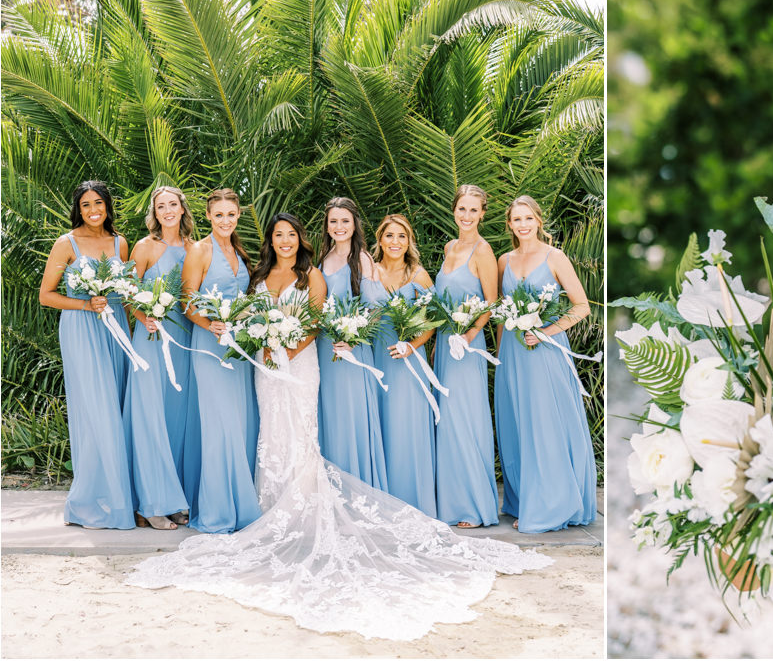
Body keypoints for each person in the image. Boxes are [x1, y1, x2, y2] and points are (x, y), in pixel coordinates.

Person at [127, 213, 551, 640]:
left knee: (303, 427)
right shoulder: (256, 274)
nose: (286, 240)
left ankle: (306, 496)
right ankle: (269, 502)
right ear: (272, 240)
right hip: (264, 364)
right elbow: (244, 314)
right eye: (279, 235)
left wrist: (291, 348)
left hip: (303, 360)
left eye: (292, 234)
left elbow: (319, 321)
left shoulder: (323, 271)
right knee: (270, 429)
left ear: (302, 238)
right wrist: (266, 342)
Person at [494, 196, 597, 532]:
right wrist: (499, 353)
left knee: (545, 424)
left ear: (538, 220)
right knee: (518, 425)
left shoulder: (556, 257)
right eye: (516, 220)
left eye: (528, 218)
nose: (523, 225)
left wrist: (545, 332)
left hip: (545, 351)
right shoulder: (502, 260)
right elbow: (499, 312)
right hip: (512, 352)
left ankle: (550, 505)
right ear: (509, 225)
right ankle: (524, 498)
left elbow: (581, 307)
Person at [38, 180, 134, 529]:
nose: (93, 210)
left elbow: (125, 292)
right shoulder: (66, 244)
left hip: (117, 328)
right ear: (77, 209)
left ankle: (124, 495)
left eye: (99, 203)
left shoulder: (120, 242)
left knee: (119, 406)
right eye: (85, 205)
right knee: (96, 410)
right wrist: (84, 303)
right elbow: (46, 295)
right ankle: (95, 501)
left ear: (108, 206)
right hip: (81, 330)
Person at [182, 188, 259, 533]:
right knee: (220, 425)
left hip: (239, 349)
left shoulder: (239, 250)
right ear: (208, 217)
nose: (225, 220)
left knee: (241, 424)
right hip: (211, 346)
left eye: (231, 214)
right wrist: (209, 323)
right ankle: (218, 512)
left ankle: (243, 506)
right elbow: (188, 301)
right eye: (219, 215)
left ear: (238, 215)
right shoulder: (200, 250)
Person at [123, 186, 195, 529]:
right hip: (150, 339)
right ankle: (150, 504)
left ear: (183, 209)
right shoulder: (145, 247)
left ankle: (174, 499)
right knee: (149, 416)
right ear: (155, 212)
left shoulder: (196, 249)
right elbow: (126, 293)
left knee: (176, 421)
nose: (167, 210)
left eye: (173, 204)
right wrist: (142, 317)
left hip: (183, 340)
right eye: (161, 206)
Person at [433, 184, 500, 528]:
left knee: (466, 419)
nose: (467, 216)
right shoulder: (449, 247)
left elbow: (491, 302)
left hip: (467, 346)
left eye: (474, 210)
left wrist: (470, 334)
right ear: (454, 210)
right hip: (444, 345)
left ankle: (474, 506)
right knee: (447, 419)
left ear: (483, 213)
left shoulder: (483, 251)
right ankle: (452, 502)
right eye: (462, 209)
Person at [315, 197, 388, 490]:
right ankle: (331, 489)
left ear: (355, 223)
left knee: (350, 416)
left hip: (352, 352)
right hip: (324, 349)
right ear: (327, 225)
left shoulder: (363, 259)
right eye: (333, 221)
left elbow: (376, 311)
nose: (339, 226)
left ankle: (356, 489)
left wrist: (353, 337)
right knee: (329, 416)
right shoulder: (322, 259)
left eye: (345, 220)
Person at [371, 214, 438, 517]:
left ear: (409, 241)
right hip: (374, 358)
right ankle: (381, 503)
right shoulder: (368, 272)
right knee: (379, 426)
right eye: (389, 236)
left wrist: (413, 345)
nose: (395, 242)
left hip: (408, 359)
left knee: (405, 426)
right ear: (380, 239)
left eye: (402, 236)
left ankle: (412, 503)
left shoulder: (418, 274)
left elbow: (433, 320)